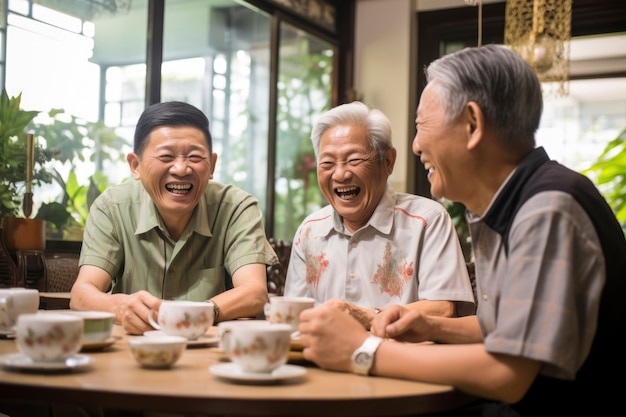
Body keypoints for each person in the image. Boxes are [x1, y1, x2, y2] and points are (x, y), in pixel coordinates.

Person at [297, 44, 626, 416]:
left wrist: (363, 350)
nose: (416, 145)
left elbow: (507, 373)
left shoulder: (547, 207)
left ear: (472, 124)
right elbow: (509, 330)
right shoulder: (511, 203)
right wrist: (431, 327)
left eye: (422, 127)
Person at [70, 101, 277, 336]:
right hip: (133, 350)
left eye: (195, 157)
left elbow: (254, 292)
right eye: (166, 156)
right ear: (135, 165)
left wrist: (191, 316)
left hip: (208, 350)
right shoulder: (113, 207)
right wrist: (120, 306)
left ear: (212, 165)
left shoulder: (236, 207)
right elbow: (81, 293)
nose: (181, 169)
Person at [284, 101, 476, 329]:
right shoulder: (309, 231)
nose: (340, 174)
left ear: (388, 162)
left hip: (402, 361)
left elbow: (443, 309)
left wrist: (366, 315)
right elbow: (293, 313)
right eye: (327, 163)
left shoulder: (427, 220)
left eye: (354, 160)